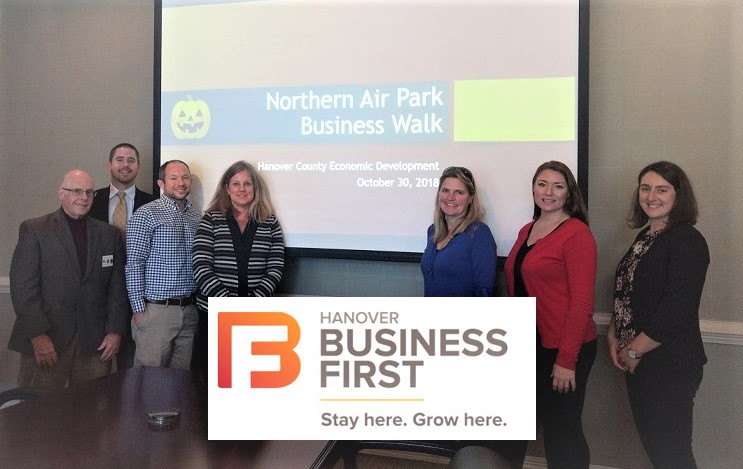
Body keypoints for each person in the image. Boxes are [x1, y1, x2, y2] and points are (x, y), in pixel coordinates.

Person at [608, 161, 709, 469]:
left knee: (673, 455)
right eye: (645, 188)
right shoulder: (645, 238)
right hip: (638, 362)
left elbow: (676, 309)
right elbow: (628, 292)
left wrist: (635, 350)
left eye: (662, 189)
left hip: (669, 365)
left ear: (678, 196)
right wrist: (614, 333)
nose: (651, 196)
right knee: (657, 450)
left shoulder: (687, 240)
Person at [504, 161, 597, 468]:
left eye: (558, 186)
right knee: (519, 425)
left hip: (564, 348)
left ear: (569, 193)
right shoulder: (526, 230)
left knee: (562, 430)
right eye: (542, 184)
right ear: (533, 188)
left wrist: (566, 360)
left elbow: (582, 303)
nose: (548, 192)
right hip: (530, 345)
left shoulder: (576, 234)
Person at [8, 170, 128, 388]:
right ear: (60, 194)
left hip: (95, 344)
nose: (83, 197)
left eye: (89, 192)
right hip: (48, 341)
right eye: (76, 191)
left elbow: (117, 288)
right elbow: (23, 288)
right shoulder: (35, 230)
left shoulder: (109, 234)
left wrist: (114, 331)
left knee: (91, 412)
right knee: (39, 413)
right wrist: (38, 335)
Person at [192, 160, 285, 372]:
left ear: (255, 188)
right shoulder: (211, 220)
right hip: (214, 314)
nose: (242, 189)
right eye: (236, 184)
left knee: (250, 375)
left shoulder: (269, 221)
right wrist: (228, 304)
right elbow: (201, 266)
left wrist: (252, 302)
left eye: (247, 184)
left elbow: (276, 266)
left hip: (255, 314)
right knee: (213, 375)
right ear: (227, 188)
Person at [125, 160, 201, 369]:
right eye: (174, 178)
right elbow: (134, 264)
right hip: (157, 311)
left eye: (185, 177)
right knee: (149, 382)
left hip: (189, 310)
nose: (181, 183)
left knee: (180, 383)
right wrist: (139, 312)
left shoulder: (196, 217)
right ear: (161, 183)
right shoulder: (146, 214)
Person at [89, 142, 155, 370]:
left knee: (133, 370)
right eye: (120, 160)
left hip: (141, 295)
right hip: (99, 296)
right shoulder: (90, 200)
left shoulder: (153, 204)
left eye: (131, 161)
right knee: (97, 373)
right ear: (109, 164)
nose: (125, 165)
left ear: (138, 167)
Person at [420, 166, 496, 297]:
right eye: (445, 190)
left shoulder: (478, 234)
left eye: (459, 192)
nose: (450, 197)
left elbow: (484, 291)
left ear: (471, 198)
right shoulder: (433, 231)